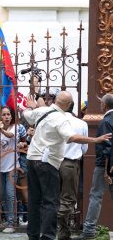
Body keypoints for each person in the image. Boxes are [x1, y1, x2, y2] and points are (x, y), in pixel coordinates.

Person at [23, 91, 111, 240]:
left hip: (32, 159)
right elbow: (71, 137)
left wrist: (31, 107)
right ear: (69, 105)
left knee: (34, 200)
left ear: (55, 100)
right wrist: (95, 140)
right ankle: (48, 237)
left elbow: (27, 114)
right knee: (51, 201)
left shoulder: (43, 110)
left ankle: (33, 235)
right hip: (48, 162)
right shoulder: (61, 119)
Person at [74, 94, 113, 240]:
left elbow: (107, 147)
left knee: (96, 196)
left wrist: (106, 169)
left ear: (104, 105)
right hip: (109, 164)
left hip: (105, 164)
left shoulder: (105, 121)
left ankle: (89, 230)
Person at [57, 102, 88, 240]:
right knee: (68, 199)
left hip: (53, 162)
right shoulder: (81, 124)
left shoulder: (55, 121)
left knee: (54, 197)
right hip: (70, 163)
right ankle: (63, 231)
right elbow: (84, 148)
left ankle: (58, 228)